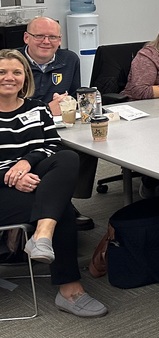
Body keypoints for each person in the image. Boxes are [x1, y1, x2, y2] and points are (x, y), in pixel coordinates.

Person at [0, 49, 107, 317]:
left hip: (36, 178)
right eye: (2, 72)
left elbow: (51, 145)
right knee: (61, 209)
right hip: (3, 188)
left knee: (68, 157)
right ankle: (70, 290)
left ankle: (41, 235)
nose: (9, 77)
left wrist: (26, 163)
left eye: (16, 72)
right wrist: (11, 176)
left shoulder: (36, 107)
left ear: (25, 78)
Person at [22, 17, 94, 231]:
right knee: (61, 154)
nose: (46, 41)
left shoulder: (69, 59)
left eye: (52, 37)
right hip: (22, 130)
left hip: (60, 124)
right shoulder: (11, 63)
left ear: (60, 40)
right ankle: (58, 206)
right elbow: (7, 108)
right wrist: (46, 110)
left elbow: (73, 95)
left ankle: (65, 199)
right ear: (26, 38)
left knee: (90, 144)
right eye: (39, 36)